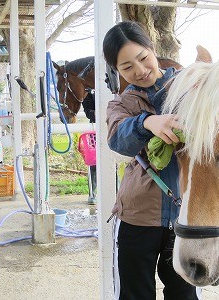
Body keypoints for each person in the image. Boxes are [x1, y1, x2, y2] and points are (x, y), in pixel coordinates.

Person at [103, 21, 199, 300]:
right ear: (117, 70)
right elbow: (118, 138)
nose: (140, 71)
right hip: (138, 216)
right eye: (127, 67)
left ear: (153, 49)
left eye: (143, 58)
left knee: (184, 294)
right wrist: (148, 123)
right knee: (135, 295)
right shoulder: (121, 104)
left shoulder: (190, 87)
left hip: (186, 215)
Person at [82, 92, 97, 205]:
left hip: (113, 127)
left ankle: (116, 191)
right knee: (93, 162)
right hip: (95, 131)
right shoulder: (88, 91)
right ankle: (92, 193)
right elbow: (88, 113)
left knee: (115, 164)